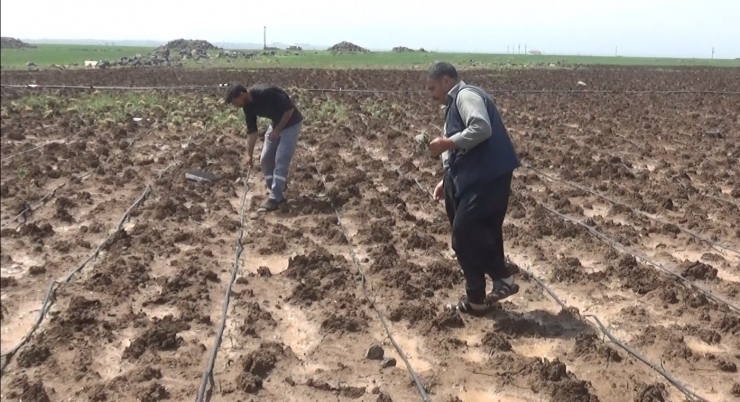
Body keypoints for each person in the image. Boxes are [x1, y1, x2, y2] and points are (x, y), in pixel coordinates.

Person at [425, 62, 521, 315]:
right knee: (468, 237)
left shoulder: (466, 96)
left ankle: (503, 276)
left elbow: (481, 128)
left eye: (433, 88)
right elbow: (458, 145)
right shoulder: (451, 106)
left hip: (488, 175)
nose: (432, 95)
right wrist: (445, 180)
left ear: (447, 81)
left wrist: (447, 142)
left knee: (466, 232)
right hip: (467, 177)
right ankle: (476, 299)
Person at [225, 83, 303, 212]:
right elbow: (252, 132)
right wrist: (249, 154)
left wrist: (278, 130)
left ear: (241, 95)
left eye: (235, 102)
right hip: (276, 123)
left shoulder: (267, 93)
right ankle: (276, 189)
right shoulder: (247, 107)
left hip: (292, 123)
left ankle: (275, 198)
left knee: (281, 158)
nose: (236, 106)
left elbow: (289, 110)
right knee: (265, 159)